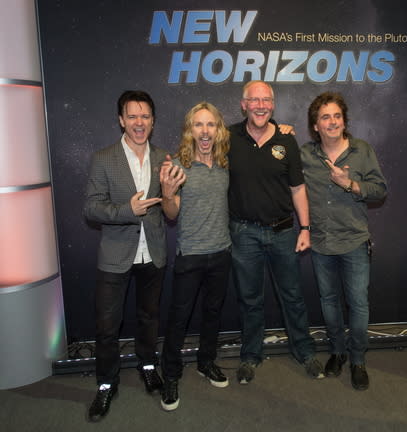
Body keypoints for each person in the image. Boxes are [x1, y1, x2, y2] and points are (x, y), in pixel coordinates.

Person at [227, 80, 324, 384]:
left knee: (293, 297)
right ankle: (250, 356)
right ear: (244, 104)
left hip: (283, 232)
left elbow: (297, 188)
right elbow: (199, 148)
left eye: (266, 100)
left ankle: (305, 352)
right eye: (254, 100)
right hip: (244, 234)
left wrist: (305, 227)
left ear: (273, 104)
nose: (260, 105)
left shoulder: (287, 140)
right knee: (250, 299)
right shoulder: (227, 137)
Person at [84, 90, 167, 421]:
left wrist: (172, 194)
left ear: (153, 121)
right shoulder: (103, 158)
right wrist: (127, 210)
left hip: (154, 252)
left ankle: (148, 367)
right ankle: (106, 384)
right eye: (132, 116)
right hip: (116, 255)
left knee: (149, 318)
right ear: (121, 120)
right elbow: (91, 208)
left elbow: (170, 207)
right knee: (107, 327)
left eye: (145, 116)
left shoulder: (164, 157)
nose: (139, 122)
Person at [300, 91, 387, 391]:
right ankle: (337, 352)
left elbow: (380, 190)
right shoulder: (306, 155)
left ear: (344, 120)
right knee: (329, 303)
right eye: (325, 117)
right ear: (315, 125)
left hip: (354, 242)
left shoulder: (362, 150)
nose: (332, 121)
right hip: (322, 243)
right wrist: (279, 130)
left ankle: (358, 360)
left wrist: (349, 184)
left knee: (358, 304)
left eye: (337, 116)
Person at [158, 102, 232, 411]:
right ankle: (171, 375)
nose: (204, 131)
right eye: (198, 125)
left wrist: (284, 128)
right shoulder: (177, 166)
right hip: (190, 255)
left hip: (221, 253)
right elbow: (170, 214)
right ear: (190, 130)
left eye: (210, 124)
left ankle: (206, 362)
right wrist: (167, 192)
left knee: (212, 315)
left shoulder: (225, 162)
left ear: (218, 130)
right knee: (179, 320)